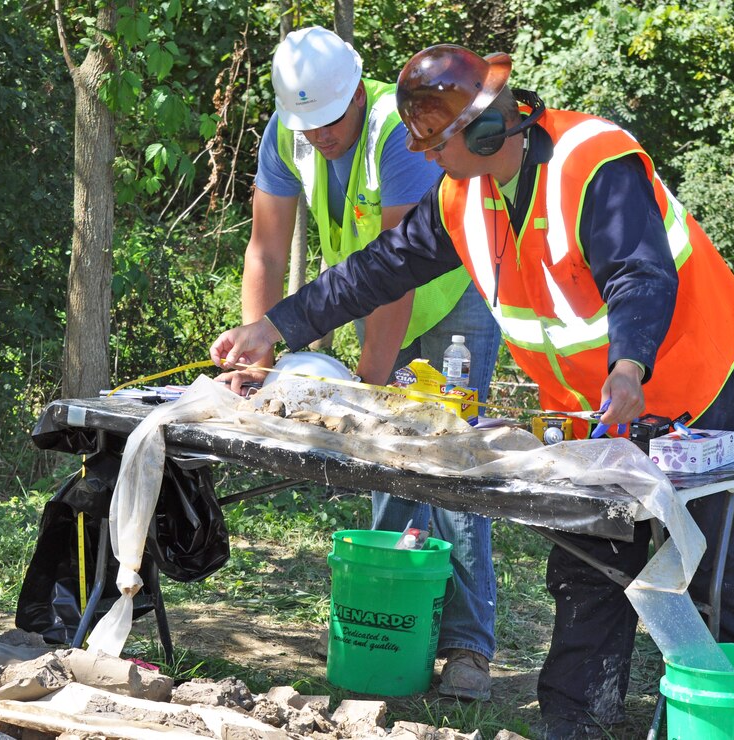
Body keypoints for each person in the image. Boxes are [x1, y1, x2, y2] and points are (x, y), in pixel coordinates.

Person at [210, 43, 734, 740]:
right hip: (600, 402)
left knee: (711, 561)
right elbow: (375, 272)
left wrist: (630, 365)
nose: (429, 159)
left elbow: (640, 275)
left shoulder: (592, 162)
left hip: (688, 379)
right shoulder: (461, 195)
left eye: (435, 144)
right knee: (594, 550)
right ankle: (575, 721)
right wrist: (274, 326)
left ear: (482, 132)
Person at [219, 26, 502, 701]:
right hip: (375, 297)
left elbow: (397, 271)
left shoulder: (393, 129)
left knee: (447, 461)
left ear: (354, 92)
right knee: (386, 467)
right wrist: (256, 352)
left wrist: (367, 390)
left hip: (452, 300)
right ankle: (397, 625)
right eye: (306, 123)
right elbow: (265, 247)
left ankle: (468, 647)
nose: (318, 135)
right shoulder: (286, 131)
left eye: (329, 121)